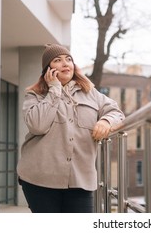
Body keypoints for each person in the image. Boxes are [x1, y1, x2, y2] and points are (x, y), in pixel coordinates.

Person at [17, 43, 125, 213]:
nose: (65, 63)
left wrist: (105, 121)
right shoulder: (35, 95)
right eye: (57, 60)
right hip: (40, 179)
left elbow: (116, 112)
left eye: (68, 59)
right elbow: (37, 125)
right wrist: (54, 90)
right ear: (48, 70)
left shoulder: (91, 93)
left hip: (81, 180)